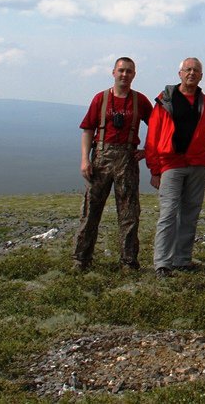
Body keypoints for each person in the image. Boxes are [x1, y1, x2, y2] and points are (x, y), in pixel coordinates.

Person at [74, 57, 153, 271]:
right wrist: (84, 160)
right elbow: (88, 129)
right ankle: (81, 260)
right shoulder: (101, 99)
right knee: (90, 211)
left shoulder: (140, 101)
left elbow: (156, 124)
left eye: (129, 71)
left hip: (127, 159)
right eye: (121, 70)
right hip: (100, 158)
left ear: (134, 75)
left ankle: (129, 261)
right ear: (113, 72)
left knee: (129, 213)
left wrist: (148, 149)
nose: (124, 75)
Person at [145, 57, 205, 277]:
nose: (191, 73)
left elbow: (200, 132)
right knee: (168, 214)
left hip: (197, 164)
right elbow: (153, 136)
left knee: (190, 213)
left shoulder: (204, 101)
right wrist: (155, 169)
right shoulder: (165, 99)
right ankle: (162, 263)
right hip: (171, 164)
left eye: (196, 70)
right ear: (180, 73)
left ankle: (182, 260)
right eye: (188, 70)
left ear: (201, 76)